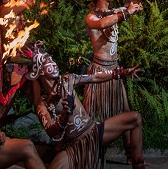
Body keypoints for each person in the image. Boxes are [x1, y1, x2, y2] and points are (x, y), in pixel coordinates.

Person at [21, 41, 146, 169]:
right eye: (49, 63)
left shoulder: (68, 80)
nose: (55, 64)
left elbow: (94, 77)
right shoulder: (42, 104)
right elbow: (52, 133)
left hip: (93, 132)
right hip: (73, 146)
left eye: (53, 61)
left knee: (135, 118)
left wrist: (122, 73)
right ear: (40, 71)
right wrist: (63, 118)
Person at [82, 0, 143, 163]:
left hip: (116, 70)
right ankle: (89, 150)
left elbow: (124, 10)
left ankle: (131, 154)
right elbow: (102, 24)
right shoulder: (91, 17)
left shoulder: (115, 12)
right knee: (92, 112)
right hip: (99, 71)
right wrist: (126, 13)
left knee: (124, 109)